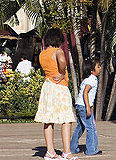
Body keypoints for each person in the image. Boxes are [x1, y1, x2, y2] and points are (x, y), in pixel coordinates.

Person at [35, 28, 76, 160]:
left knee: (48, 120)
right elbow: (62, 62)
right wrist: (62, 73)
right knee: (66, 119)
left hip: (48, 86)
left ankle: (50, 152)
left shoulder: (43, 53)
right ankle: (66, 152)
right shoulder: (58, 51)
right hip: (59, 87)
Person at [71, 59, 101, 156]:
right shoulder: (92, 79)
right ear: (92, 70)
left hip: (80, 106)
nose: (100, 68)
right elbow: (85, 92)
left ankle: (72, 148)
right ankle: (91, 150)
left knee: (80, 127)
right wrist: (88, 107)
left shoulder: (87, 79)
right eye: (98, 67)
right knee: (91, 128)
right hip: (84, 106)